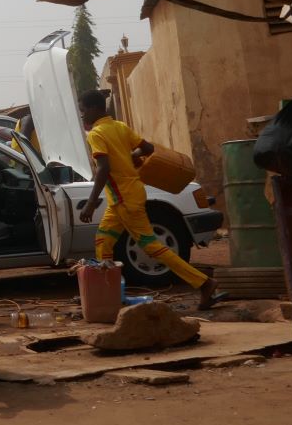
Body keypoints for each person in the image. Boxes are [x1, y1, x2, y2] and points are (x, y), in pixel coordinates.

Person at [77, 89, 220, 310]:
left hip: (124, 199)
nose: (82, 114)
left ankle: (204, 282)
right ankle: (107, 292)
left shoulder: (96, 134)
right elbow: (147, 149)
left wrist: (90, 201)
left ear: (95, 109)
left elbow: (103, 168)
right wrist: (129, 157)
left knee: (150, 246)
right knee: (103, 241)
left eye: (83, 109)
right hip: (124, 197)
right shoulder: (120, 127)